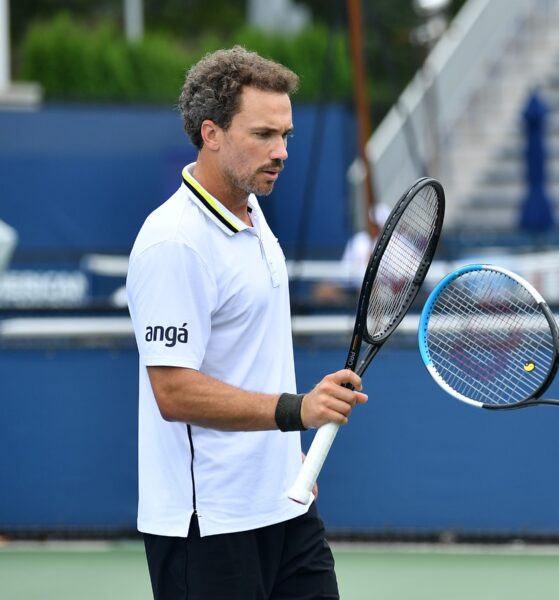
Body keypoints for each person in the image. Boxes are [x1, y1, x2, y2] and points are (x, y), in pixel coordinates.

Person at [126, 47, 365, 599]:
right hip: (205, 525)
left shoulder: (255, 217)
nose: (281, 152)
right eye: (263, 135)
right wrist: (296, 410)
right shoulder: (173, 242)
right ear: (211, 133)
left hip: (285, 505)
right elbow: (173, 391)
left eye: (286, 135)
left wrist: (288, 454)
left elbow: (251, 357)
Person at [312, 204, 390, 305]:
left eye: (376, 222)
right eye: (372, 221)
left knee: (370, 291)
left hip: (374, 290)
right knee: (320, 290)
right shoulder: (358, 240)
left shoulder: (390, 244)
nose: (372, 224)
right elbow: (345, 269)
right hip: (351, 287)